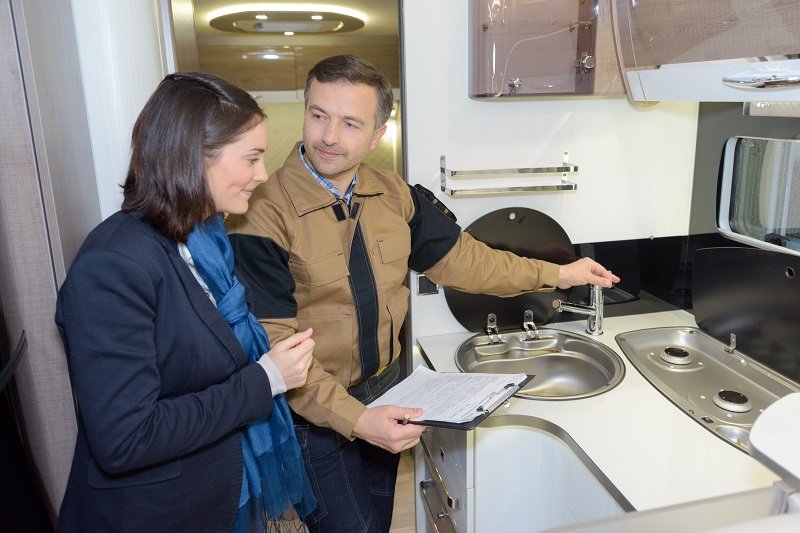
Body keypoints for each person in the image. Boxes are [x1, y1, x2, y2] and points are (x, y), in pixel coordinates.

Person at [227, 55, 620, 533]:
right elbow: (277, 347)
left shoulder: (394, 194)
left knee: (379, 518)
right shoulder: (259, 216)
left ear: (376, 135)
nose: (329, 136)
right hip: (314, 414)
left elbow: (469, 261)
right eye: (318, 115)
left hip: (389, 388)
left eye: (350, 123)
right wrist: (357, 420)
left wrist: (557, 274)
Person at [55, 72, 318, 532]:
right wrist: (265, 380)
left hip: (216, 495)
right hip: (155, 515)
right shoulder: (112, 266)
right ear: (193, 158)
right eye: (252, 158)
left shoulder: (206, 240)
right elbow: (127, 438)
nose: (262, 173)